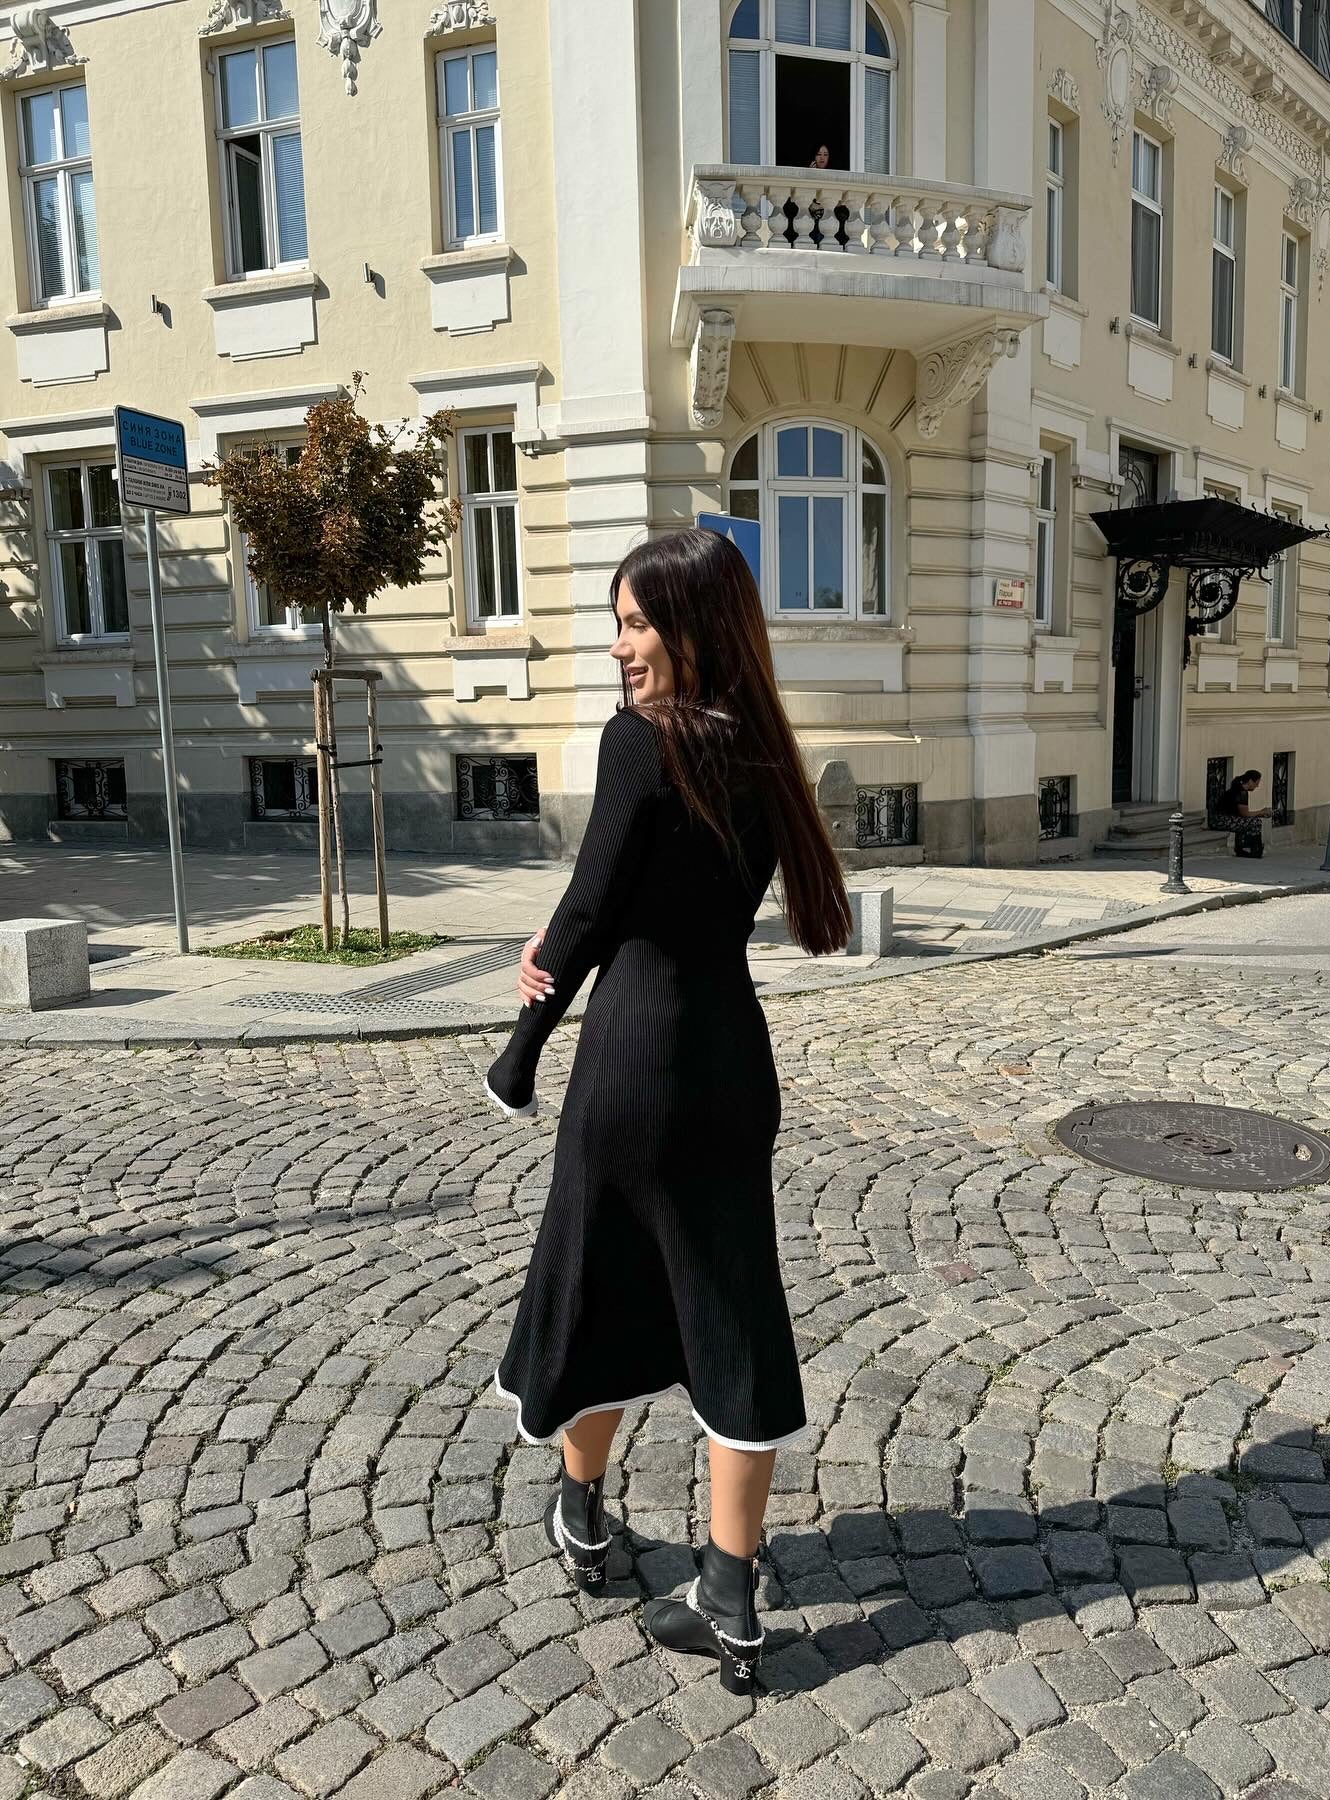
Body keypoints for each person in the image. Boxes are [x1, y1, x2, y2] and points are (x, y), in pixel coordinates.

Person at [484, 527, 852, 1694]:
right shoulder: (763, 745)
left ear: (694, 626)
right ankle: (730, 1596)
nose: (620, 646)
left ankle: (581, 1512)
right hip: (732, 1063)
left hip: (634, 1065)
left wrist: (521, 1048)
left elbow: (590, 908)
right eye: (620, 622)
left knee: (594, 1288)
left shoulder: (640, 741)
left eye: (638, 622)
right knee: (733, 1317)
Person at [1215, 767, 1271, 857]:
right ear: (1250, 781)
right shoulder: (1241, 792)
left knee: (1249, 821)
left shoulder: (1238, 789)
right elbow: (1245, 814)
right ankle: (1251, 849)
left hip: (1224, 818)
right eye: (1256, 783)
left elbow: (1243, 814)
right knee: (1255, 822)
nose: (1257, 786)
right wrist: (1261, 812)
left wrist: (1260, 813)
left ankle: (1247, 848)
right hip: (1221, 820)